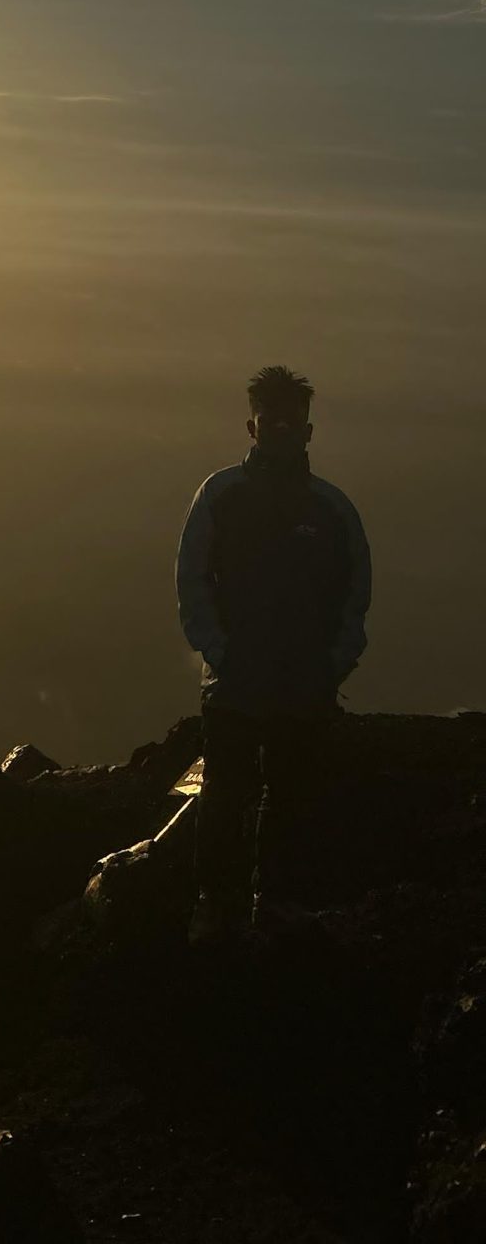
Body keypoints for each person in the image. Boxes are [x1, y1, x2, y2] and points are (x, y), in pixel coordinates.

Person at [174, 364, 370, 940]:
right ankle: (216, 904)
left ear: (308, 432)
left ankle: (278, 903)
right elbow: (191, 579)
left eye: (293, 422)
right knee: (224, 794)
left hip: (304, 683)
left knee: (293, 794)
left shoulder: (333, 511)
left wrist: (334, 664)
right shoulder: (220, 495)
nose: (282, 431)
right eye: (271, 421)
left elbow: (354, 592)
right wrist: (217, 650)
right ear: (252, 427)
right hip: (235, 680)